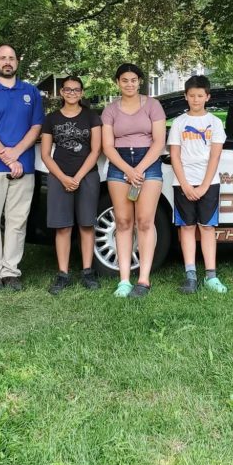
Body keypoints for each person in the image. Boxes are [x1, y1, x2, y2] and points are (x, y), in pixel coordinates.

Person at [0, 43, 44, 291]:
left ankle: (11, 270)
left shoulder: (31, 92)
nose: (7, 62)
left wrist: (16, 155)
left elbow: (36, 128)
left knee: (17, 221)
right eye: (2, 58)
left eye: (11, 58)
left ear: (17, 62)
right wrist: (7, 157)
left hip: (24, 166)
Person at [101, 63, 166, 298]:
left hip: (148, 162)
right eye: (124, 80)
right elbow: (107, 146)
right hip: (119, 165)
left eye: (134, 80)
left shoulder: (153, 105)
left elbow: (159, 142)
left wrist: (138, 168)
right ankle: (124, 280)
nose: (129, 84)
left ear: (140, 82)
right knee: (123, 222)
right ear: (117, 82)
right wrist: (128, 170)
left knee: (145, 221)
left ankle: (144, 280)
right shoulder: (110, 110)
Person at [40, 75, 103, 294]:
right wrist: (64, 178)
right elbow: (46, 154)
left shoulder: (92, 117)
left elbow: (96, 150)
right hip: (59, 176)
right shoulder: (51, 119)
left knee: (86, 224)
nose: (72, 93)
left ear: (82, 93)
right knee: (63, 226)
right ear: (61, 93)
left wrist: (77, 177)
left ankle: (87, 271)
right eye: (68, 90)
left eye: (76, 90)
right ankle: (63, 274)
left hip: (86, 175)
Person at [168, 74, 227, 294]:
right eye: (191, 95)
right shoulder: (179, 123)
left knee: (208, 227)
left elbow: (215, 157)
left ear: (207, 97)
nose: (195, 99)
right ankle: (190, 275)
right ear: (186, 96)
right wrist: (185, 185)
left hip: (209, 183)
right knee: (187, 228)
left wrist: (203, 186)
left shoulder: (215, 122)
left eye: (200, 95)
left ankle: (211, 276)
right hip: (183, 184)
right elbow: (174, 156)